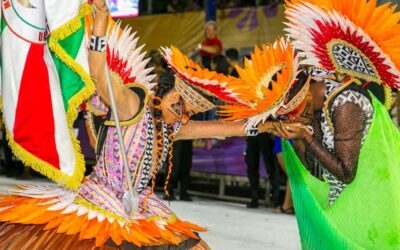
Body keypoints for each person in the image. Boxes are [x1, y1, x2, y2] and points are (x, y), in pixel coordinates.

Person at [0, 1, 279, 248]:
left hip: (142, 207)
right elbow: (99, 74)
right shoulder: (132, 106)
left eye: (188, 113)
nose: (182, 115)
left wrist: (267, 127)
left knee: (196, 246)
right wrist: (98, 26)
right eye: (179, 105)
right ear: (164, 93)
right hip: (104, 205)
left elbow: (223, 129)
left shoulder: (170, 128)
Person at [277, 0, 400, 248]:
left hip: (364, 211)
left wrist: (307, 136)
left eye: (296, 105)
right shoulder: (324, 102)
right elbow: (315, 171)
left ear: (309, 89)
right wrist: (300, 135)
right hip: (343, 204)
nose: (297, 111)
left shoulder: (346, 102)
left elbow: (346, 172)